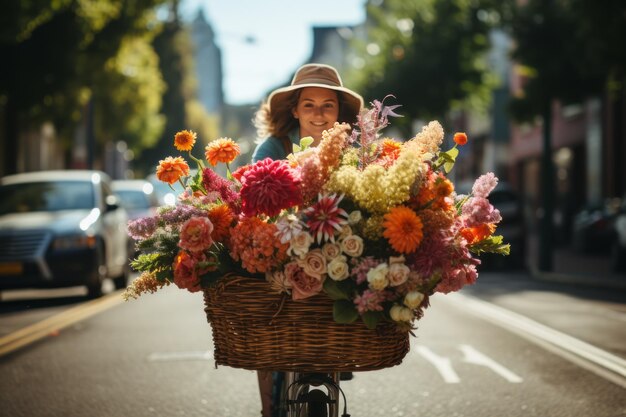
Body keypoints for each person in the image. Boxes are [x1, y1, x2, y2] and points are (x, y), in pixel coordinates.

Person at [250, 63, 363, 417]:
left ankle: (337, 367)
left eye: (328, 105)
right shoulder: (273, 146)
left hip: (336, 250)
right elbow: (252, 198)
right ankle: (269, 408)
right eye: (309, 104)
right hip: (282, 248)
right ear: (295, 110)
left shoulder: (354, 150)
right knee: (266, 330)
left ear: (339, 112)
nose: (319, 113)